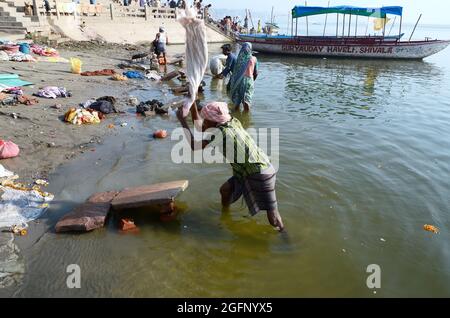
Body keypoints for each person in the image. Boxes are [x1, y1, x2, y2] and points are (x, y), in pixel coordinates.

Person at [176, 102, 284, 232]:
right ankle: (225, 215)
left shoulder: (220, 133)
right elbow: (200, 128)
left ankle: (284, 237)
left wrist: (182, 120)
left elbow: (194, 145)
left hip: (259, 172)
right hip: (247, 170)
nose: (204, 122)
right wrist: (192, 103)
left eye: (206, 120)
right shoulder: (232, 121)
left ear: (214, 122)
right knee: (225, 190)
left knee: (273, 218)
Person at [228, 42, 258, 111]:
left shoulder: (239, 59)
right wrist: (252, 81)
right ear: (250, 49)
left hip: (238, 81)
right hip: (249, 81)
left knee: (237, 100)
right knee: (247, 99)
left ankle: (236, 115)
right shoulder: (254, 59)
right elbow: (256, 73)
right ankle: (246, 117)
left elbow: (235, 72)